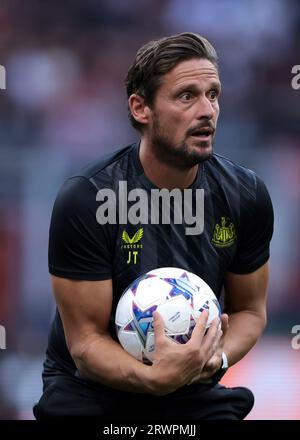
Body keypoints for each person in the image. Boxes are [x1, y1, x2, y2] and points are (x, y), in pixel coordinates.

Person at [33, 32, 273, 421]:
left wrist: (216, 357)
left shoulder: (246, 196)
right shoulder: (87, 198)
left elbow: (250, 310)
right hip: (90, 393)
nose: (207, 110)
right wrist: (156, 378)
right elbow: (86, 344)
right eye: (186, 96)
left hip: (193, 392)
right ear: (141, 108)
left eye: (213, 94)